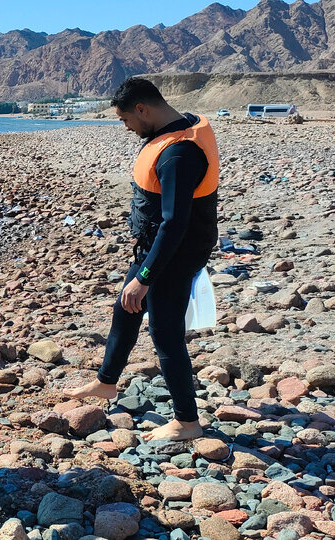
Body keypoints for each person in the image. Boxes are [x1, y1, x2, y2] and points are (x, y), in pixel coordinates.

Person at [64, 77, 219, 442]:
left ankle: (187, 421)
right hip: (160, 249)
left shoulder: (178, 154)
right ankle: (106, 383)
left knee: (165, 334)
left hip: (173, 254)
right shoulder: (182, 125)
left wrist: (145, 276)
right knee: (126, 307)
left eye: (124, 120)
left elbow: (175, 223)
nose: (126, 127)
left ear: (141, 109)